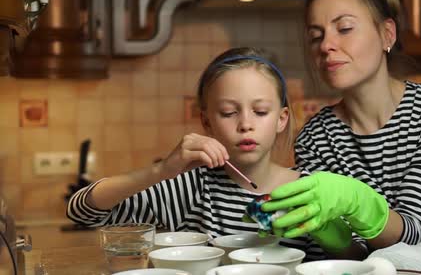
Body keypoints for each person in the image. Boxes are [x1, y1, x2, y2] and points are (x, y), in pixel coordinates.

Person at [66, 47, 365, 260]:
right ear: (207, 121)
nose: (246, 124)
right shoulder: (190, 187)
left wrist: (339, 243)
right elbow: (83, 211)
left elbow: (360, 261)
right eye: (228, 112)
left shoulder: (311, 190)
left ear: (281, 119)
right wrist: (161, 171)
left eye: (260, 111)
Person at [261, 0, 421, 253]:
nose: (326, 46)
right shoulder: (315, 138)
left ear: (387, 34)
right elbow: (357, 257)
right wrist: (330, 237)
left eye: (345, 28)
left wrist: (356, 200)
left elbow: (413, 233)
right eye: (316, 36)